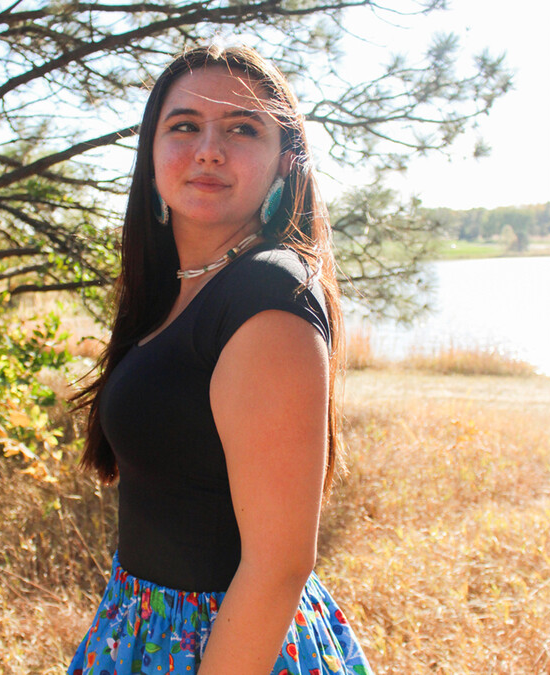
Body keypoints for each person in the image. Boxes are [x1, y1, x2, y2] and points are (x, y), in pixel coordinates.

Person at [68, 44, 374, 675]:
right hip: (145, 625)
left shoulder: (267, 298)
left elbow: (279, 564)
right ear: (151, 153)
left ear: (286, 161)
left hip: (229, 647)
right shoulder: (181, 288)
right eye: (184, 126)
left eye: (242, 128)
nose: (209, 148)